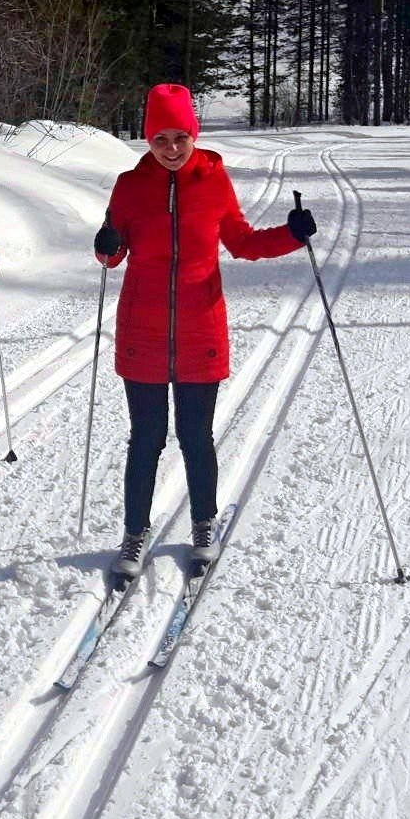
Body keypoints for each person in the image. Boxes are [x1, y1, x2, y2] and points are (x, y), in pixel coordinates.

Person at [92, 83, 315, 585]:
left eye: (179, 137)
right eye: (159, 139)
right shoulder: (128, 187)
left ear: (194, 134)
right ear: (148, 140)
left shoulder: (214, 182)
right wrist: (106, 245)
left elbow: (242, 242)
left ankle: (203, 524)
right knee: (144, 439)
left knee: (196, 436)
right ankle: (134, 532)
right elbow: (112, 256)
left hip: (200, 328)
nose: (171, 148)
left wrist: (292, 234)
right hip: (141, 330)